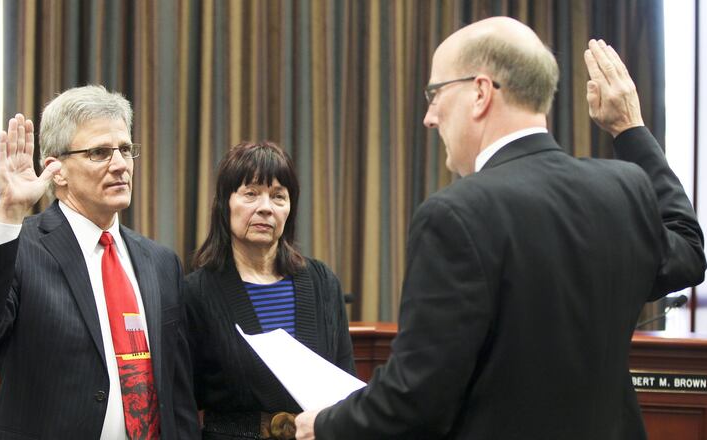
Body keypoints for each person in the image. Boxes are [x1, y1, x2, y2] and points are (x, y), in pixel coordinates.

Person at [295, 17, 706, 439]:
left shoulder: (454, 215)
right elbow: (690, 252)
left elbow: (414, 399)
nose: (429, 117)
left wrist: (325, 424)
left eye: (435, 94)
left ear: (479, 92)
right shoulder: (625, 187)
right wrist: (630, 128)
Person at [0, 85, 200, 439]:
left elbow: (177, 391)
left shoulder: (160, 262)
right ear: (56, 171)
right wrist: (8, 214)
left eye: (125, 150)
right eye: (99, 152)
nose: (121, 165)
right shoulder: (19, 247)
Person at [186, 141, 355, 439]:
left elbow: (345, 383)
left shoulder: (322, 282)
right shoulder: (196, 292)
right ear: (225, 203)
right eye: (251, 194)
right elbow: (182, 399)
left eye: (278, 196)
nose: (265, 208)